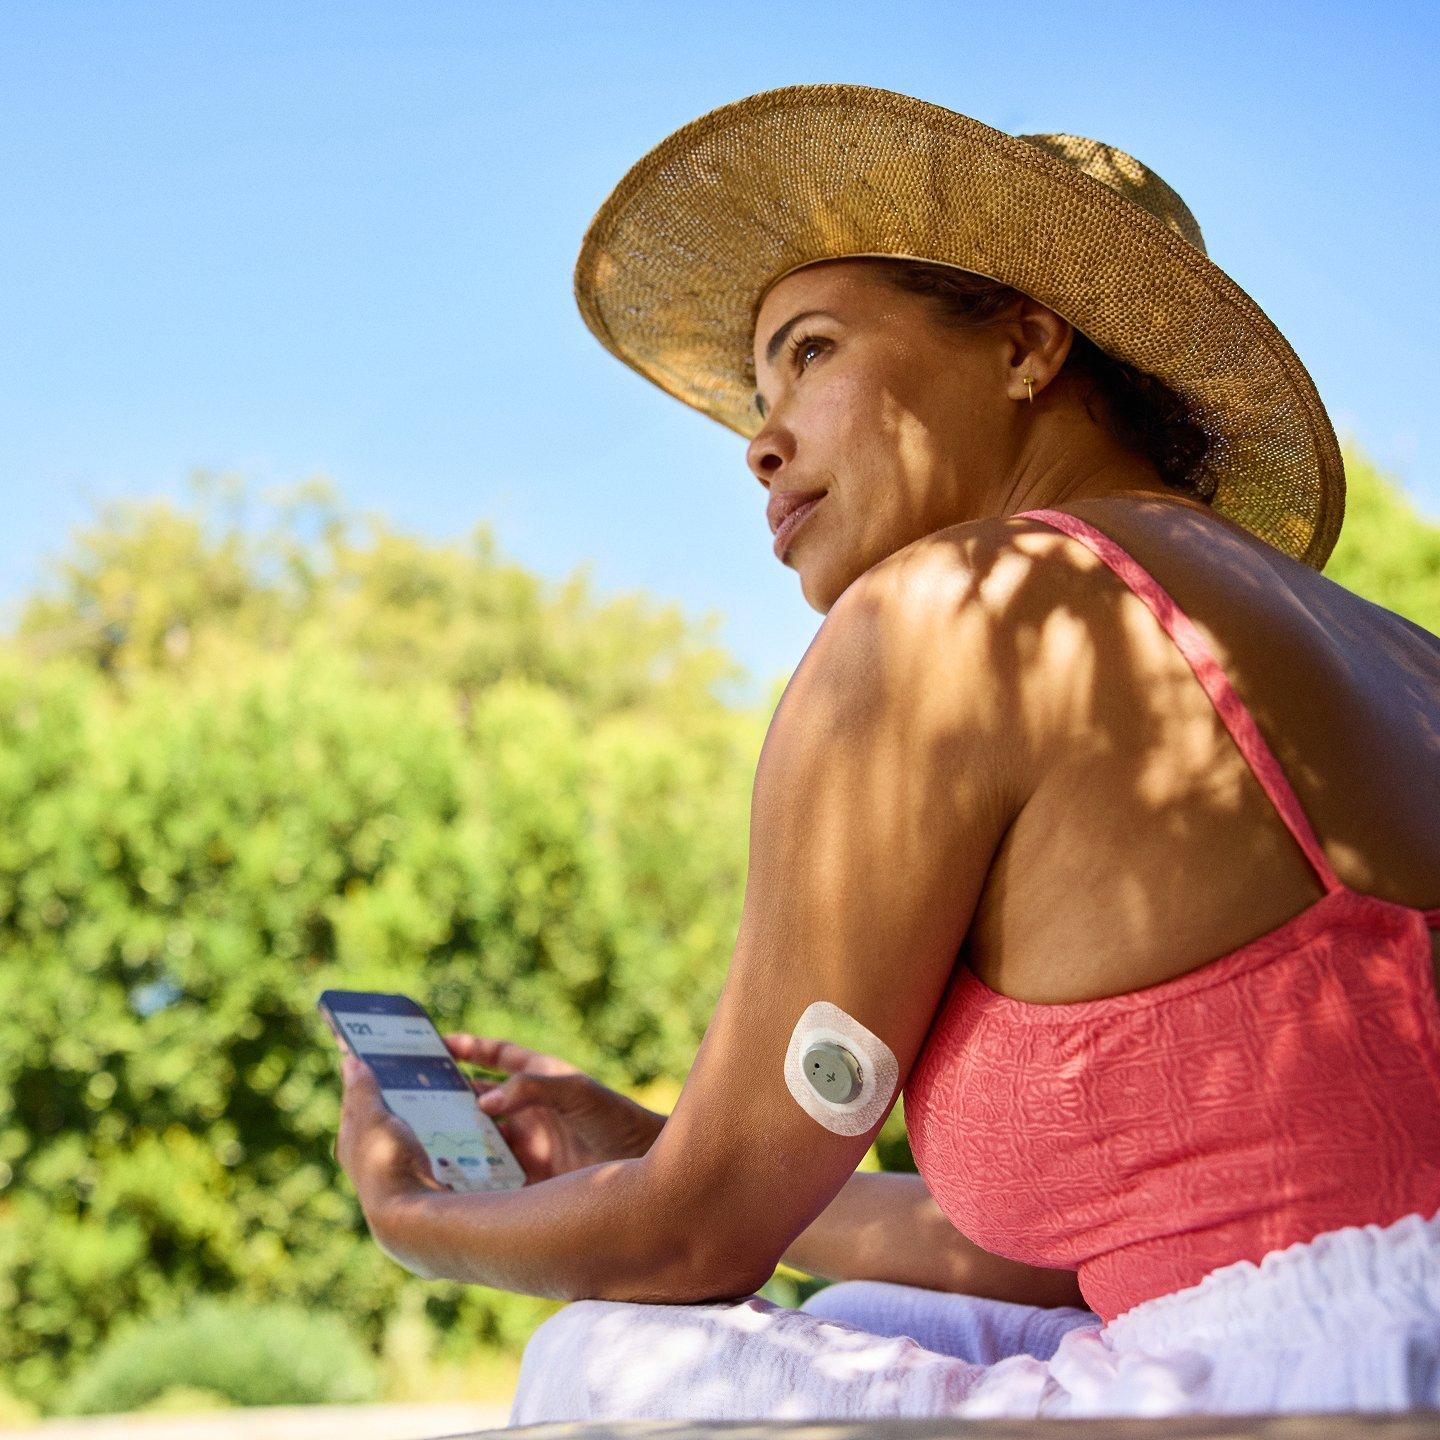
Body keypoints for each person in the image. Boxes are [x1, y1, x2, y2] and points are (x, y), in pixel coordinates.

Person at [331, 84, 1440, 1420]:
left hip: (1309, 1395)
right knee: (877, 1314)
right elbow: (1149, 1238)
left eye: (810, 353)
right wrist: (664, 1146)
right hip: (1360, 1352)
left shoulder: (952, 616)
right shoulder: (1401, 651)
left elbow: (693, 1241)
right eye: (759, 384)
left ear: (1029, 345)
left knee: (619, 1361)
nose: (758, 440)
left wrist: (411, 1218)